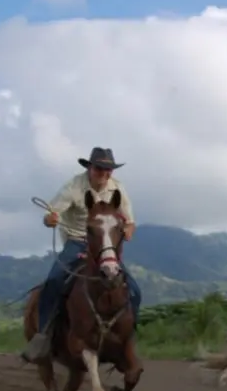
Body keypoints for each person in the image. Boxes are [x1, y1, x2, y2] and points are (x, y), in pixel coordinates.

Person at [20, 147, 142, 364]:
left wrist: (128, 230)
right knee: (54, 281)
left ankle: (129, 336)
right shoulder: (73, 187)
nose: (104, 173)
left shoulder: (118, 189)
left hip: (105, 244)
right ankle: (43, 335)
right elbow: (51, 214)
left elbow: (130, 222)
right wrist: (50, 219)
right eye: (99, 168)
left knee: (134, 289)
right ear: (90, 168)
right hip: (77, 241)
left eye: (108, 170)